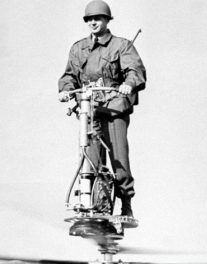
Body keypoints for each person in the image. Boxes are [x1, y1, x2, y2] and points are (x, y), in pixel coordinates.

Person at [58, 0, 146, 218]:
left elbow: (135, 70)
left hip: (114, 108)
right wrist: (66, 90)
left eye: (97, 18)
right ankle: (98, 205)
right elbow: (69, 76)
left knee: (119, 159)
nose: (93, 23)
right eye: (89, 19)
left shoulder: (121, 45)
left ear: (107, 20)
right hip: (90, 110)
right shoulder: (78, 48)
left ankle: (125, 202)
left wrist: (128, 84)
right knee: (91, 159)